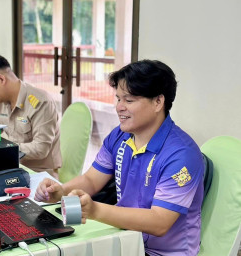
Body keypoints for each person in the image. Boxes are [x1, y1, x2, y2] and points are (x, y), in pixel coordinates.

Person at [35, 60, 204, 256]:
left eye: (129, 100)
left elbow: (159, 222)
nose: (119, 107)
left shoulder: (181, 154)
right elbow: (90, 180)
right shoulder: (120, 136)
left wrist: (95, 210)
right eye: (118, 99)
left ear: (158, 102)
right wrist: (60, 191)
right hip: (123, 239)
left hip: (161, 252)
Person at [0, 54, 62, 178]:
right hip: (11, 167)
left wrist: (5, 150)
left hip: (38, 174)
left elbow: (41, 148)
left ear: (1, 79)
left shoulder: (40, 102)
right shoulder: (2, 102)